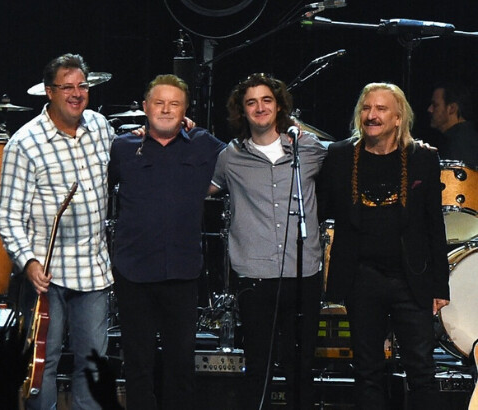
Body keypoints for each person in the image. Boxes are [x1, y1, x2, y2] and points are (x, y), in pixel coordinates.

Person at [318, 82, 450, 410]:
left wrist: (440, 285)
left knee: (421, 369)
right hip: (361, 277)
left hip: (412, 278)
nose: (371, 115)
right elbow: (319, 209)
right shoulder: (339, 155)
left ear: (397, 118)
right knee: (367, 370)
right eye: (366, 108)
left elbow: (435, 224)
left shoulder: (423, 158)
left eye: (380, 109)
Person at [0, 53, 114, 410]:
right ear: (49, 92)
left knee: (92, 366)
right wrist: (28, 262)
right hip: (48, 276)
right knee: (41, 367)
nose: (77, 94)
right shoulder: (25, 143)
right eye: (67, 87)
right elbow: (9, 216)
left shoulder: (100, 127)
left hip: (93, 272)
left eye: (82, 86)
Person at [209, 73, 326, 410]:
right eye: (251, 102)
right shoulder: (231, 157)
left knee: (301, 368)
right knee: (257, 367)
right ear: (242, 111)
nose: (259, 107)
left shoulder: (308, 148)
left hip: (302, 273)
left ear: (278, 107)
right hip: (255, 275)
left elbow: (350, 156)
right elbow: (205, 188)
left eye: (266, 100)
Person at [108, 74, 225, 410]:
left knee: (180, 366)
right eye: (159, 103)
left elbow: (246, 156)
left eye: (174, 104)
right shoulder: (122, 147)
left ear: (186, 110)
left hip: (182, 273)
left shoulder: (205, 145)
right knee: (138, 365)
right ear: (145, 107)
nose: (166, 109)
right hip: (133, 273)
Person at [427, 81, 478, 166]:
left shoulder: (461, 143)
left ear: (452, 108)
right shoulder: (467, 136)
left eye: (435, 105)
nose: (430, 109)